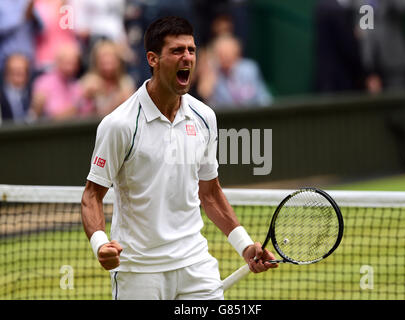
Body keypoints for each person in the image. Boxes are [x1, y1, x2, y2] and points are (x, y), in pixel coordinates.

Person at [80, 16, 277, 300]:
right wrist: (100, 244)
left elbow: (210, 193)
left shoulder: (205, 117)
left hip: (195, 265)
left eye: (192, 50)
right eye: (177, 51)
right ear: (153, 59)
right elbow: (91, 196)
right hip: (139, 271)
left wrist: (245, 246)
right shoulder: (120, 125)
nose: (187, 57)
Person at [196, 34, 272, 108]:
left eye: (228, 52)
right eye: (221, 53)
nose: (225, 56)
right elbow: (207, 104)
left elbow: (264, 98)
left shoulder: (250, 69)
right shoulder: (212, 73)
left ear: (237, 52)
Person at [80, 40, 135, 118]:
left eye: (111, 56)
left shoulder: (125, 83)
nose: (107, 60)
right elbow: (81, 113)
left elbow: (131, 114)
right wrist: (86, 96)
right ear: (96, 60)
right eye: (103, 56)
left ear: (118, 60)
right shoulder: (88, 82)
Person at [29, 43, 83, 121]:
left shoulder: (76, 85)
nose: (70, 67)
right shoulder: (43, 83)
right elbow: (53, 118)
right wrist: (76, 107)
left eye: (74, 63)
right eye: (67, 63)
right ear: (57, 62)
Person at [0, 54, 32, 124]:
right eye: (13, 73)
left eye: (20, 73)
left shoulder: (34, 93)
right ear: (6, 75)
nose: (17, 79)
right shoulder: (1, 97)